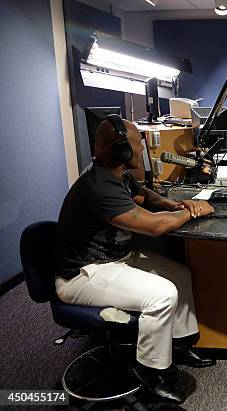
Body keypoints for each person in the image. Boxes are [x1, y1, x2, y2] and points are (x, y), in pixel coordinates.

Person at [54, 116, 214, 404]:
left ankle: (179, 343)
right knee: (163, 295)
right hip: (82, 275)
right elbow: (154, 226)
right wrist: (192, 211)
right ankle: (150, 373)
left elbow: (143, 195)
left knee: (179, 274)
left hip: (113, 260)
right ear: (122, 152)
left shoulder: (118, 174)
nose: (142, 149)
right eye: (137, 144)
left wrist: (173, 205)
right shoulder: (99, 186)